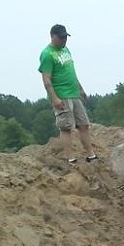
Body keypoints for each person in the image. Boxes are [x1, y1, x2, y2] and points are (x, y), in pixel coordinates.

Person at [38, 24, 97, 166]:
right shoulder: (47, 54)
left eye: (66, 37)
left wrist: (80, 88)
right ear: (53, 36)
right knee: (66, 127)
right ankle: (71, 158)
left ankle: (91, 155)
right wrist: (54, 98)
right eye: (61, 37)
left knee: (83, 124)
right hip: (61, 95)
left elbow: (71, 71)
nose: (64, 40)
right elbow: (46, 79)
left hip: (73, 93)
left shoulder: (66, 50)